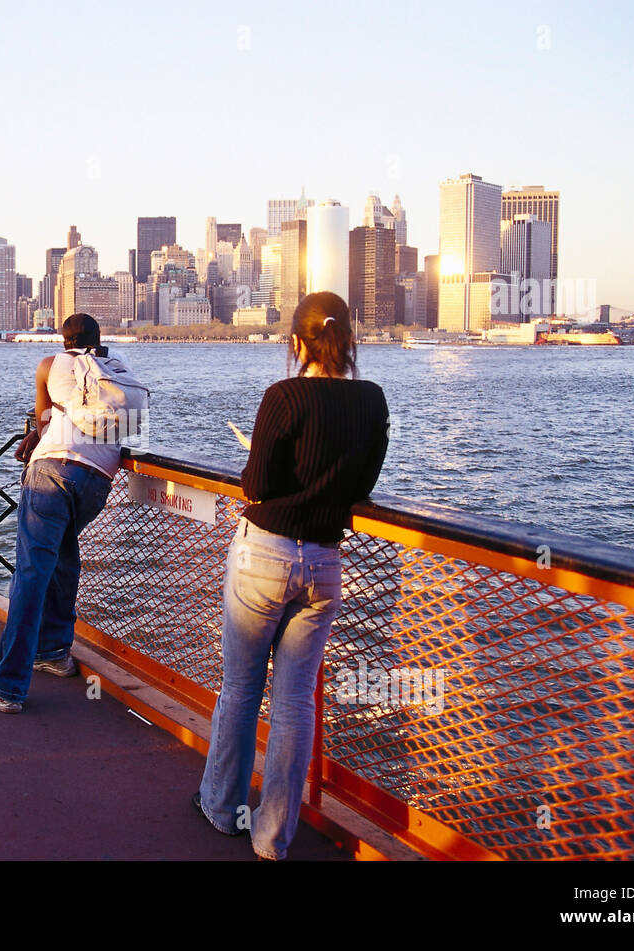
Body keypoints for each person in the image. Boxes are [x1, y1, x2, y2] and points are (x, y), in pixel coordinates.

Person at [195, 291, 389, 859]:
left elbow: (255, 486)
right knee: (296, 700)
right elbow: (362, 485)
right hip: (326, 565)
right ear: (346, 338)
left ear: (299, 342)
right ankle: (273, 836)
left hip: (266, 555)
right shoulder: (372, 400)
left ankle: (220, 806)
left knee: (240, 686)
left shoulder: (284, 395)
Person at [0, 313, 130, 713]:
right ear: (99, 339)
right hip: (97, 480)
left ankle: (9, 687)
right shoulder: (117, 368)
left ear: (64, 340)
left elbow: (45, 417)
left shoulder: (50, 365)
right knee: (64, 559)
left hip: (51, 472)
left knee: (32, 573)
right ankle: (52, 650)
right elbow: (128, 424)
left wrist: (36, 432)